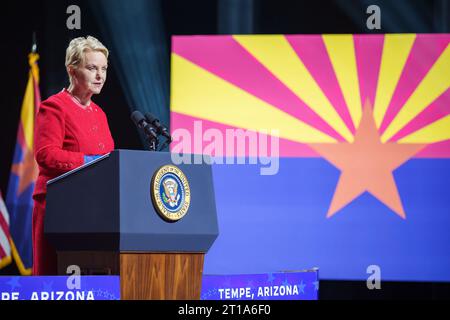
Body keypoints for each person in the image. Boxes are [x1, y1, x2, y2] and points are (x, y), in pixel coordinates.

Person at [32, 36, 115, 275]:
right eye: (92, 68)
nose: (100, 75)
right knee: (53, 276)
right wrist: (89, 163)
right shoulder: (54, 107)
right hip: (58, 206)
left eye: (104, 69)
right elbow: (45, 155)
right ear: (72, 70)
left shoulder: (100, 113)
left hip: (93, 208)